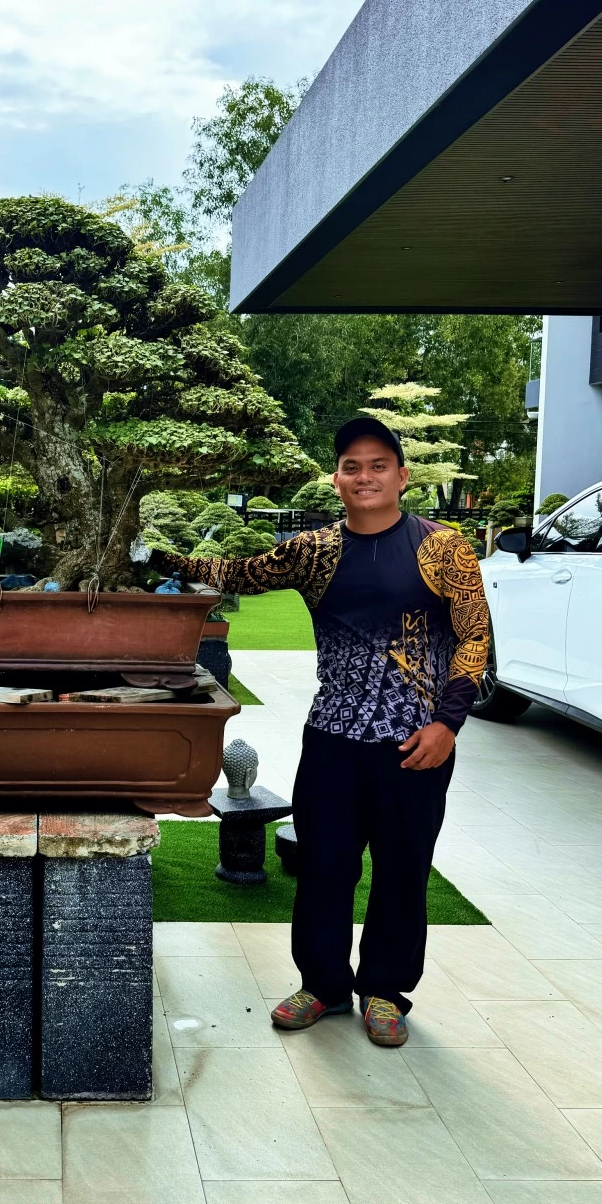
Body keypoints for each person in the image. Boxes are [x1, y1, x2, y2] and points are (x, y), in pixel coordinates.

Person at [172, 418, 490, 1047]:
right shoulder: (314, 548)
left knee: (403, 867)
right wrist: (151, 553)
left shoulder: (444, 546)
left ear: (402, 476)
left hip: (415, 744)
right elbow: (238, 573)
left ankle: (385, 992)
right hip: (333, 737)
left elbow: (474, 639)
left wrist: (447, 725)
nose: (364, 476)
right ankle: (322, 984)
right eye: (351, 465)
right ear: (336, 477)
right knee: (323, 865)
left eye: (377, 465)